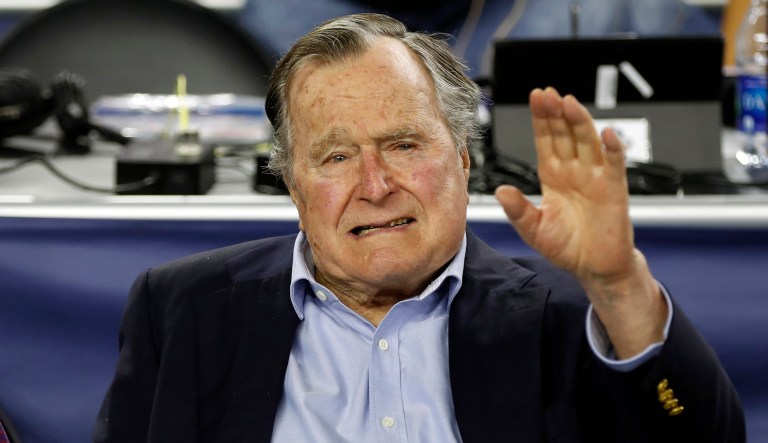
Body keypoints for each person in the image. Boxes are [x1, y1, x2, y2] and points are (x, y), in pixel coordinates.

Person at [94, 13, 745, 442]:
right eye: (336, 156)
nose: (375, 185)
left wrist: (621, 285)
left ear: (463, 158)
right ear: (294, 184)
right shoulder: (182, 308)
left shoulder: (571, 317)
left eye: (403, 145)